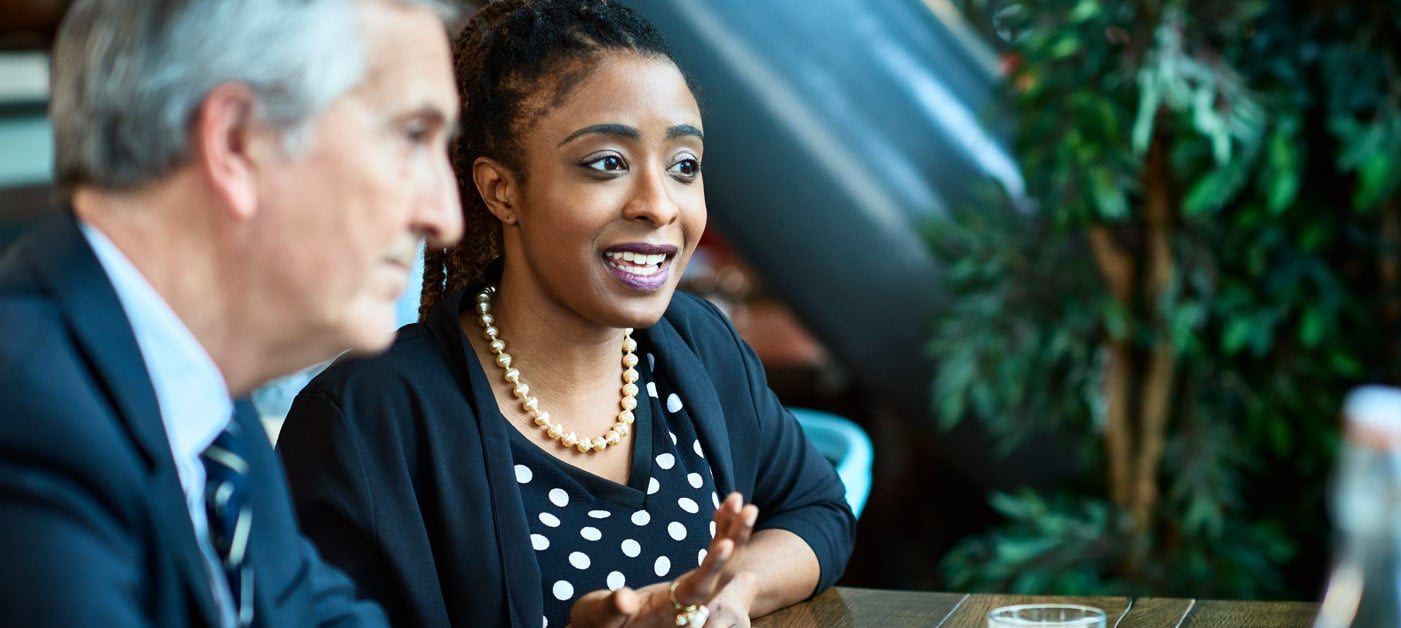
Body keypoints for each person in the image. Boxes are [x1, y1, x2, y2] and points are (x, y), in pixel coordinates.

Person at [274, 1, 859, 627]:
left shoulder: (697, 346)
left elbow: (817, 510)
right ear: (502, 190)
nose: (659, 205)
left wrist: (726, 593)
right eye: (607, 163)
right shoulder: (368, 419)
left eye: (683, 166)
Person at [0, 0, 463, 625]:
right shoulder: (26, 412)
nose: (445, 219)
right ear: (238, 142)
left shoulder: (203, 402)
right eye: (413, 136)